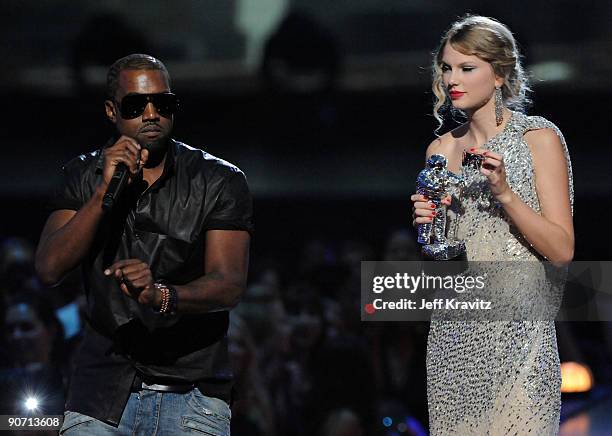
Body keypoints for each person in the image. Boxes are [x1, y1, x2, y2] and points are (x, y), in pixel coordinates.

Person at [35, 54, 253, 435]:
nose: (151, 114)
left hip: (192, 396)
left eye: (163, 103)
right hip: (99, 396)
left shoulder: (219, 181)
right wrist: (104, 190)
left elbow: (228, 283)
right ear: (111, 110)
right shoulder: (82, 176)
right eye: (136, 105)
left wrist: (160, 295)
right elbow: (50, 268)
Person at [410, 16, 573, 435]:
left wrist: (504, 193)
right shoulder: (440, 149)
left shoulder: (538, 139)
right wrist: (430, 231)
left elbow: (561, 249)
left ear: (499, 74)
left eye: (467, 68)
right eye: (446, 68)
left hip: (523, 338)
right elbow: (444, 267)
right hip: (456, 338)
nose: (452, 79)